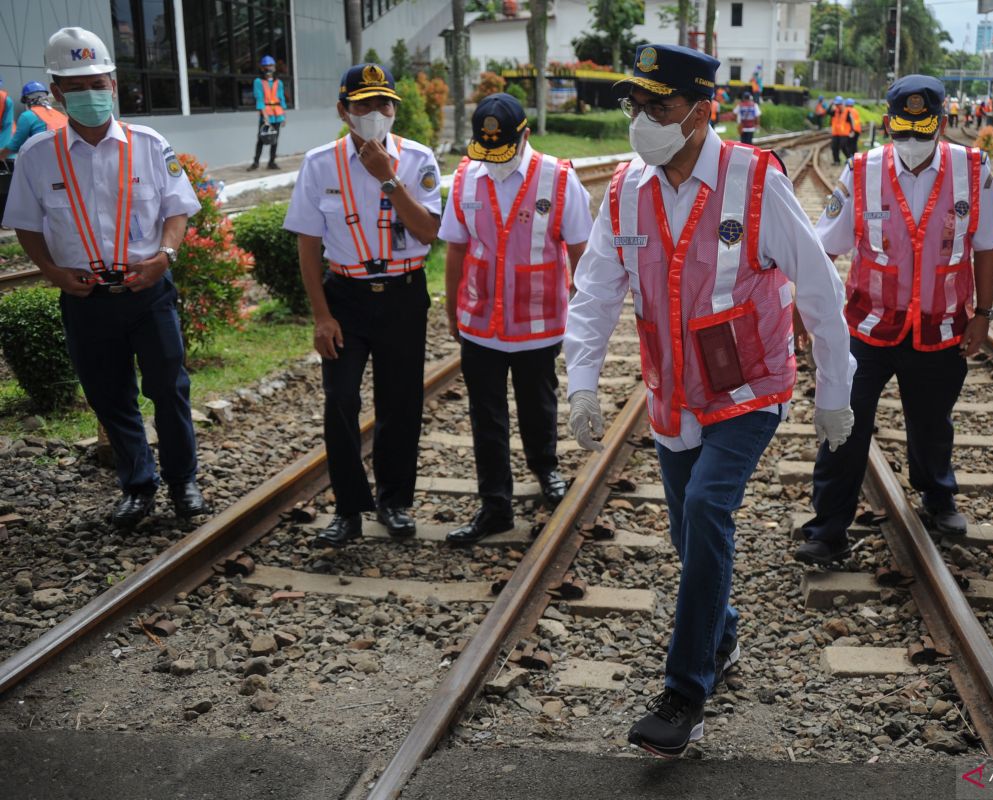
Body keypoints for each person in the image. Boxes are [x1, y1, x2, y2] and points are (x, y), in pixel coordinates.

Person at [565, 43, 855, 758]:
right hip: (672, 397)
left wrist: (835, 388)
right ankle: (720, 634)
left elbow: (817, 287)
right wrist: (581, 381)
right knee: (687, 536)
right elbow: (598, 290)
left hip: (750, 388)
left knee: (705, 510)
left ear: (702, 110)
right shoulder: (627, 190)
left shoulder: (755, 182)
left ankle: (684, 694)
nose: (642, 119)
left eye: (658, 105)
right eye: (636, 104)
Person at [2, 27, 210, 528]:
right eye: (76, 88)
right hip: (87, 297)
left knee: (169, 388)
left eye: (97, 84)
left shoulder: (148, 144)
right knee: (109, 396)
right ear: (56, 92)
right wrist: (52, 272)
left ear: (114, 85)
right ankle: (138, 487)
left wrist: (164, 255)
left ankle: (183, 481)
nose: (90, 95)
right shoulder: (37, 156)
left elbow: (178, 209)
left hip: (149, 292)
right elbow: (27, 224)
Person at [795, 75, 993, 566]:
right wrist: (807, 309)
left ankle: (938, 497)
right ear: (888, 123)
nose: (912, 138)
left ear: (942, 124)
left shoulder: (973, 170)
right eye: (903, 127)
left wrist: (983, 314)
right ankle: (828, 529)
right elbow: (826, 246)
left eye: (923, 126)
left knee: (933, 424)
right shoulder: (862, 169)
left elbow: (987, 244)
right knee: (843, 427)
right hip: (868, 327)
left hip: (941, 325)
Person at [283, 63, 442, 547]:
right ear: (344, 111)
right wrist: (321, 315)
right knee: (341, 400)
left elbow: (430, 232)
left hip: (402, 293)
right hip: (346, 297)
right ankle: (349, 510)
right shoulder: (319, 164)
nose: (377, 113)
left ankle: (394, 502)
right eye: (365, 104)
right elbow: (308, 245)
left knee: (400, 402)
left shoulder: (417, 159)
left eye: (384, 104)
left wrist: (388, 178)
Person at [439, 92, 592, 544]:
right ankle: (495, 505)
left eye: (503, 149)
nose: (494, 161)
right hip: (481, 322)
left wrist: (585, 317)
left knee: (538, 404)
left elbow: (582, 251)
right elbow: (455, 247)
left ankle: (545, 469)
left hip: (538, 322)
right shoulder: (467, 175)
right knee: (486, 417)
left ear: (525, 135)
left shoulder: (559, 178)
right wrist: (452, 310)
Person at [0, 82, 68, 160]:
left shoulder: (28, 116)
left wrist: (2, 154)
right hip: (66, 158)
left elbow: (15, 145)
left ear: (27, 100)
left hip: (46, 160)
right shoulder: (61, 115)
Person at [249, 55, 286, 171]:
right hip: (266, 114)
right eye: (266, 66)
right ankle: (255, 162)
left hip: (277, 114)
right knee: (261, 138)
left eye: (271, 65)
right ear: (262, 68)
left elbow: (281, 99)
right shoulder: (258, 82)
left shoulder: (278, 82)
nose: (269, 68)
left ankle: (272, 162)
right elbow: (259, 99)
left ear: (274, 67)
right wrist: (264, 117)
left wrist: (283, 116)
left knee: (275, 138)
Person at [829, 96, 847, 164]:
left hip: (844, 133)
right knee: (834, 147)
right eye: (836, 104)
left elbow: (851, 122)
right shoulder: (834, 111)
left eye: (838, 104)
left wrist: (852, 131)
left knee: (844, 147)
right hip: (835, 133)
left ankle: (850, 160)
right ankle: (836, 161)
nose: (837, 106)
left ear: (842, 104)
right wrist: (831, 105)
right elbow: (828, 113)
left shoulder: (846, 111)